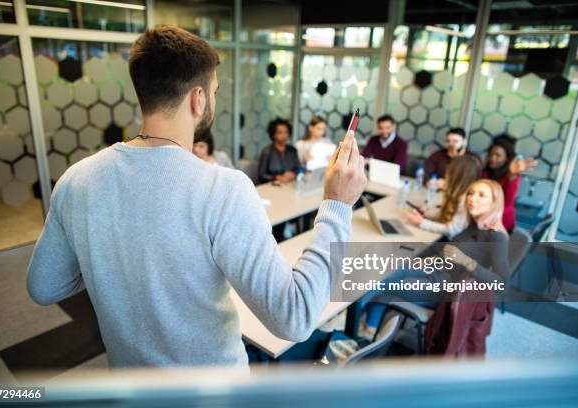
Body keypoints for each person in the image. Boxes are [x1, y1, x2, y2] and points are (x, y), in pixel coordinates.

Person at [26, 26, 367, 368]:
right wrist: (336, 205)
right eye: (215, 91)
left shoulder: (76, 180)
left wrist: (107, 256)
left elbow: (44, 287)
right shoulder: (223, 190)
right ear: (198, 98)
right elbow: (295, 317)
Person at [361, 179, 510, 337]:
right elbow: (450, 252)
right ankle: (369, 326)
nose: (472, 198)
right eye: (471, 193)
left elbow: (502, 284)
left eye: (481, 195)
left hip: (442, 290)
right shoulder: (475, 224)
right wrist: (425, 259)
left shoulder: (496, 237)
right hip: (435, 272)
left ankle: (352, 319)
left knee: (385, 281)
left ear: (494, 202)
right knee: (386, 271)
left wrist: (467, 261)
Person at [404, 155, 481, 239]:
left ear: (457, 176)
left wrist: (422, 223)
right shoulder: (453, 192)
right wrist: (426, 213)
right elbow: (444, 214)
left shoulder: (465, 200)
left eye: (449, 171)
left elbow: (452, 230)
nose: (446, 174)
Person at [482, 135, 537, 232]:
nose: (492, 158)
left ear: (507, 158)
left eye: (498, 155)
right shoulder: (486, 171)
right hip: (484, 217)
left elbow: (507, 203)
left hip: (501, 222)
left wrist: (512, 175)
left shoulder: (512, 174)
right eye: (491, 154)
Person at [258, 118, 301, 184]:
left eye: (286, 132)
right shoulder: (267, 151)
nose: (284, 136)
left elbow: (299, 168)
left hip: (290, 184)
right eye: (280, 132)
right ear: (273, 134)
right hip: (272, 186)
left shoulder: (292, 150)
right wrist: (277, 177)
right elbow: (261, 175)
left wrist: (294, 174)